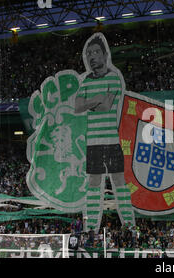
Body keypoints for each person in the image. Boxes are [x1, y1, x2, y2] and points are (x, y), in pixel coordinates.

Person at [75, 32, 135, 232]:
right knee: (94, 182)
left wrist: (89, 103)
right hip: (93, 142)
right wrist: (96, 99)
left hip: (110, 139)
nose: (92, 56)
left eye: (96, 52)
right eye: (89, 52)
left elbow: (106, 106)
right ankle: (91, 227)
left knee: (118, 180)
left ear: (104, 55)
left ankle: (129, 226)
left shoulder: (114, 77)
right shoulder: (85, 81)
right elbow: (77, 106)